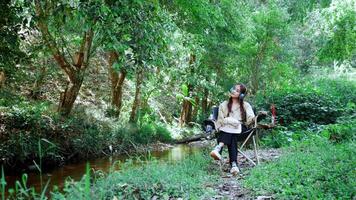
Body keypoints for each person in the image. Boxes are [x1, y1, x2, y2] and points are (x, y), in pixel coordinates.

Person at [210, 83, 255, 175]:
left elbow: (251, 118)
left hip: (241, 129)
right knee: (231, 134)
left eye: (237, 91)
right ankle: (234, 165)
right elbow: (221, 121)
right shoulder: (224, 104)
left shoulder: (246, 105)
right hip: (227, 128)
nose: (234, 91)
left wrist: (255, 119)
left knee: (232, 131)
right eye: (234, 89)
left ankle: (218, 148)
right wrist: (228, 121)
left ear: (241, 95)